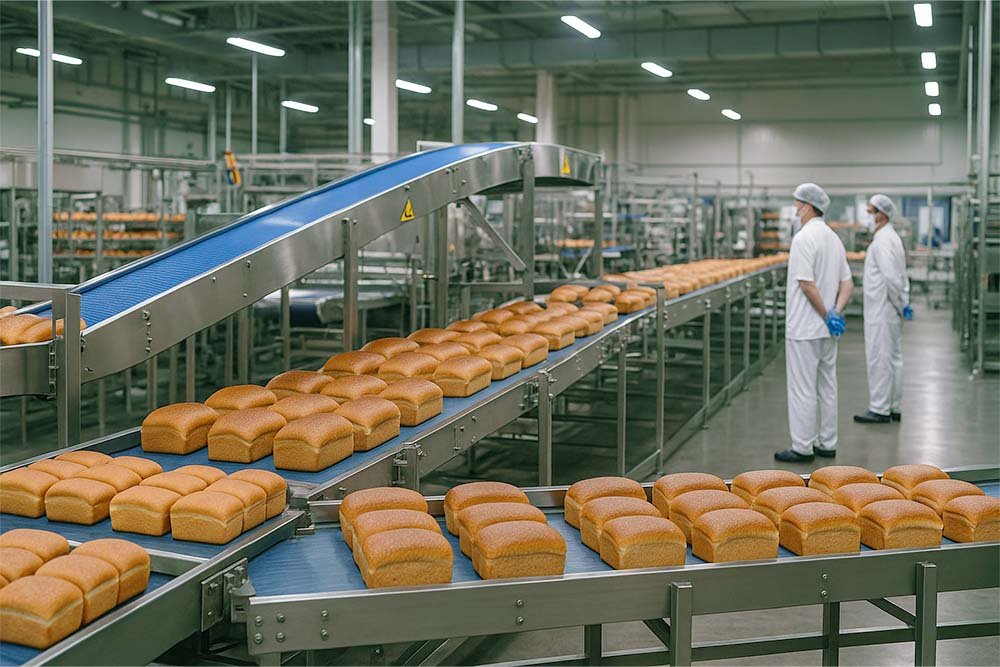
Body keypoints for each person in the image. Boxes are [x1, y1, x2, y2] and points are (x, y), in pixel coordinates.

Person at [774, 183, 854, 463]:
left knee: (803, 388)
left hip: (805, 328)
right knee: (827, 386)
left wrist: (824, 313)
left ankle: (802, 446)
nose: (795, 210)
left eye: (797, 205)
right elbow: (848, 282)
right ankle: (827, 442)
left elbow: (806, 284)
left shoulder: (803, 238)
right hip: (827, 330)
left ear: (807, 206)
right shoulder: (833, 238)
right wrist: (835, 313)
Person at [854, 194, 912, 424]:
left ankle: (879, 408)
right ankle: (893, 405)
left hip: (883, 309)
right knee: (894, 358)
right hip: (890, 308)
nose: (867, 216)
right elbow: (900, 275)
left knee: (880, 358)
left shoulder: (883, 240)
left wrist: (899, 303)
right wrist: (903, 303)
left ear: (882, 214)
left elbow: (891, 277)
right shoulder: (890, 237)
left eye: (869, 211)